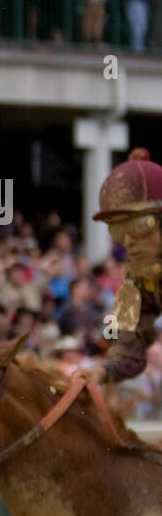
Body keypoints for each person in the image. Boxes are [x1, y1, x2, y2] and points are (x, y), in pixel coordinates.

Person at [87, 148, 162, 385]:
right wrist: (101, 371)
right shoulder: (136, 274)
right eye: (118, 231)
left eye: (139, 226)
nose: (128, 241)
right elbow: (123, 336)